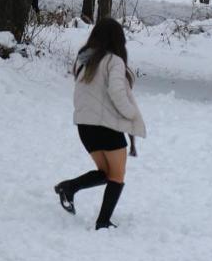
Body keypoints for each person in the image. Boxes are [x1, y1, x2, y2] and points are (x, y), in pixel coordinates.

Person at [54, 18, 147, 229]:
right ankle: (103, 222)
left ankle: (69, 187)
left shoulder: (84, 59)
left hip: (84, 126)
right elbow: (116, 91)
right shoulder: (114, 61)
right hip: (106, 127)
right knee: (117, 175)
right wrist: (130, 113)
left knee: (106, 173)